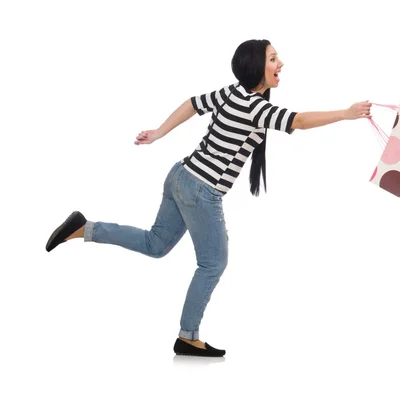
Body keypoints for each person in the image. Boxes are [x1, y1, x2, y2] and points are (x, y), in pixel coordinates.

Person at [45, 39, 372, 357]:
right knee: (213, 263)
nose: (281, 64)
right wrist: (346, 113)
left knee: (155, 244)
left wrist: (160, 133)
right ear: (256, 66)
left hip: (180, 176)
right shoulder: (256, 107)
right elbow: (298, 121)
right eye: (273, 58)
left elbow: (192, 103)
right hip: (201, 190)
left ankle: (85, 228)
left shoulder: (232, 93)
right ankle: (188, 338)